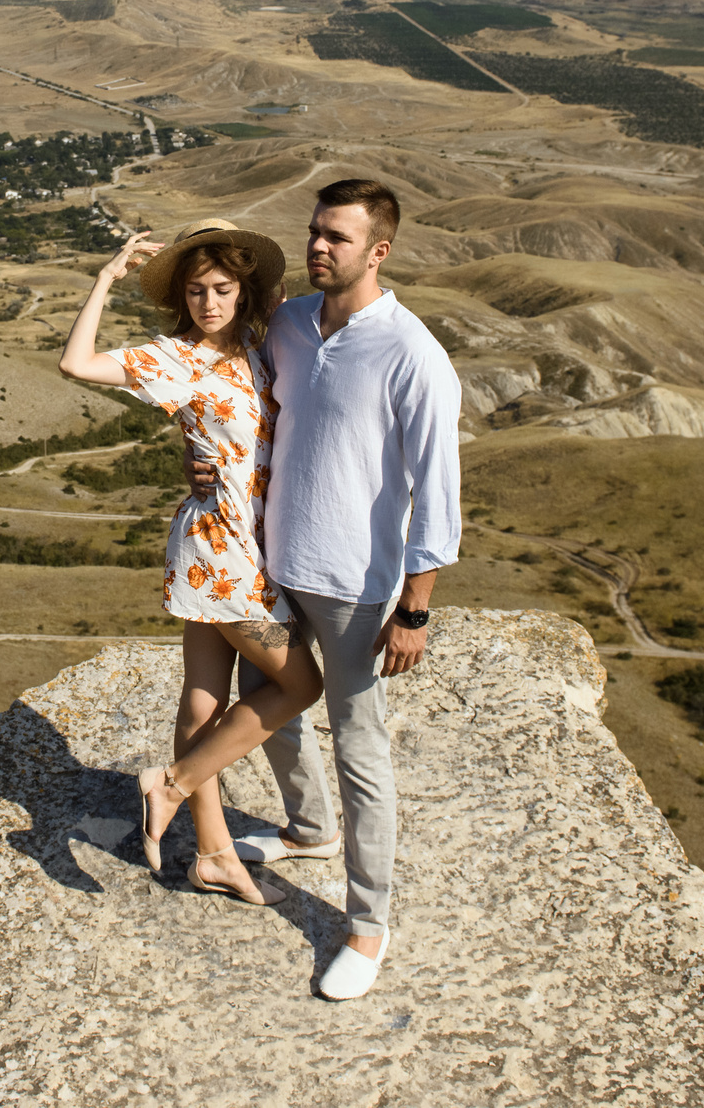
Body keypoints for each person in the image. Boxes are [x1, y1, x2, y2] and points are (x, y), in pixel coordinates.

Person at [188, 177, 462, 1000]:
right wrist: (201, 458)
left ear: (378, 251)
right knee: (266, 712)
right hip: (270, 565)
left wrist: (415, 607)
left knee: (361, 750)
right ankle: (308, 828)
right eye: (313, 232)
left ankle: (367, 927)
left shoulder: (413, 353)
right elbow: (243, 411)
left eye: (337, 238)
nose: (317, 247)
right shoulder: (293, 327)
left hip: (353, 588)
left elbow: (438, 493)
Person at [58, 217, 324, 905]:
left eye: (223, 288)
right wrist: (104, 278)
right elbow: (77, 363)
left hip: (238, 544)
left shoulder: (258, 350)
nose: (209, 301)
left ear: (242, 292)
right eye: (198, 290)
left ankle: (213, 854)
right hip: (220, 550)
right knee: (302, 686)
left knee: (204, 701)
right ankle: (170, 784)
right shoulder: (178, 357)